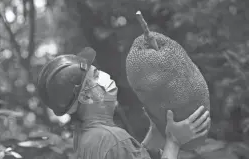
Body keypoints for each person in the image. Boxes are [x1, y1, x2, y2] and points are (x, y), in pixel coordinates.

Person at [37, 47, 211, 159]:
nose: (105, 74)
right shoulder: (113, 140)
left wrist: (155, 133)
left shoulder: (87, 138)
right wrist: (174, 142)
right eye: (96, 74)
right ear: (86, 96)